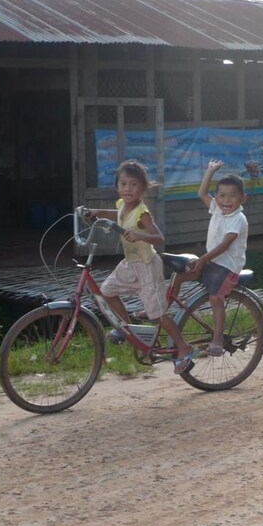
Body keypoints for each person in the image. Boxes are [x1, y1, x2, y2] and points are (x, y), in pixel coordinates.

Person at [88, 160, 198, 374]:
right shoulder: (122, 205)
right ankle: (126, 328)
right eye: (123, 184)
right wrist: (96, 212)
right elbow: (117, 214)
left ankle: (183, 347)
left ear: (142, 188)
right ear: (118, 186)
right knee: (106, 292)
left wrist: (140, 235)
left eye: (134, 185)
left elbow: (159, 237)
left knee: (156, 313)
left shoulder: (142, 212)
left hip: (147, 266)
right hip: (130, 264)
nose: (128, 189)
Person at [174, 159, 248, 357]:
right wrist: (210, 170)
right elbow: (201, 193)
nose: (226, 200)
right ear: (217, 198)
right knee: (179, 275)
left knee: (216, 299)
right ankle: (165, 308)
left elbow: (225, 245)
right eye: (222, 196)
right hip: (212, 262)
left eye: (232, 196)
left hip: (228, 266)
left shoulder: (238, 219)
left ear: (243, 199)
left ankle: (217, 338)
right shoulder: (216, 208)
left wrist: (203, 259)